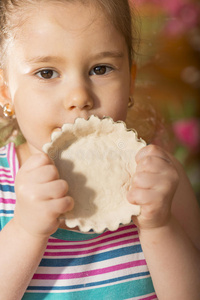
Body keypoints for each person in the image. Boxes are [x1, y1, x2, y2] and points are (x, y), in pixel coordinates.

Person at [0, 0, 199, 299]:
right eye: (46, 73)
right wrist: (26, 229)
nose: (80, 96)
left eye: (100, 68)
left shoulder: (162, 180)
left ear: (130, 82)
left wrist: (160, 226)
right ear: (5, 91)